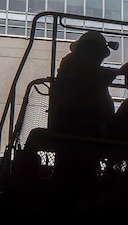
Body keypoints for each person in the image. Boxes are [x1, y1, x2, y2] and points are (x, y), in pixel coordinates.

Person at [47, 30, 118, 181]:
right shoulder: (74, 65)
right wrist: (122, 71)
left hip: (79, 130)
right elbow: (91, 74)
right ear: (90, 52)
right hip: (77, 129)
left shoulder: (77, 66)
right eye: (98, 55)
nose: (99, 60)